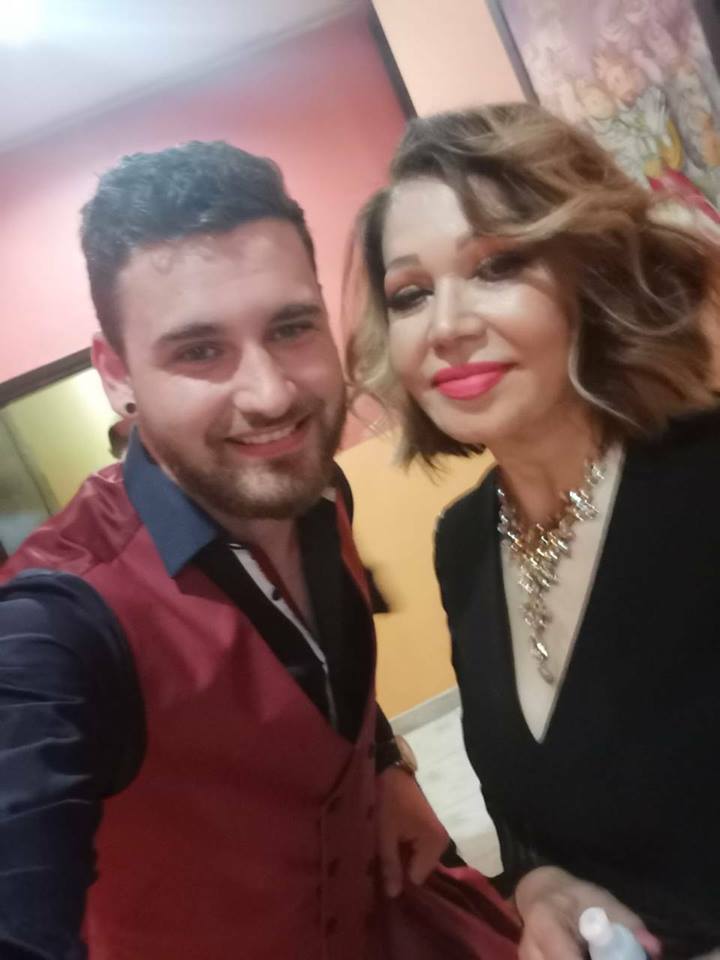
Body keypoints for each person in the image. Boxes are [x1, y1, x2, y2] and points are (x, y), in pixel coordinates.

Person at [0, 141, 460, 960]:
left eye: (292, 327)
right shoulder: (54, 621)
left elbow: (312, 663)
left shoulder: (316, 490)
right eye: (199, 350)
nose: (272, 395)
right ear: (116, 373)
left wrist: (384, 765)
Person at [347, 102, 720, 960]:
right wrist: (539, 884)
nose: (446, 325)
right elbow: (526, 809)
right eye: (410, 294)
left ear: (593, 273)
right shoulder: (464, 543)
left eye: (497, 265)